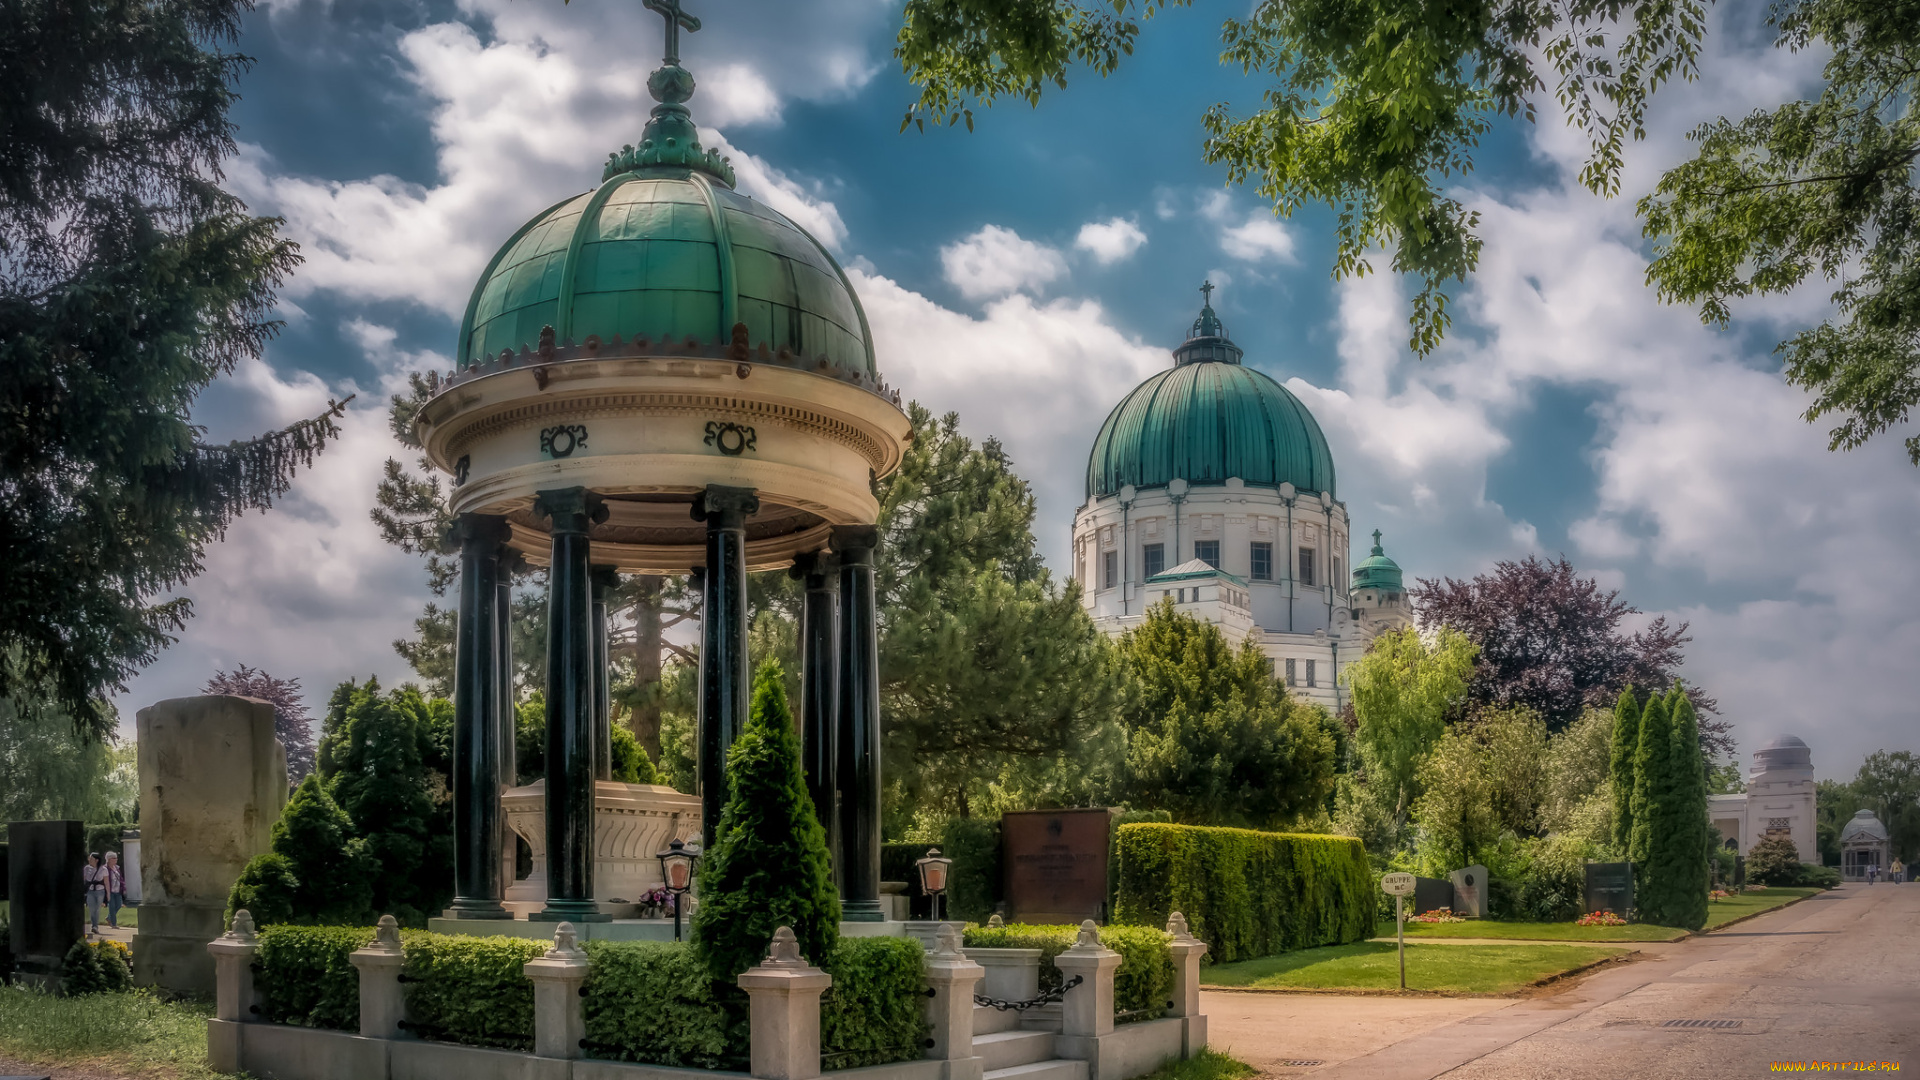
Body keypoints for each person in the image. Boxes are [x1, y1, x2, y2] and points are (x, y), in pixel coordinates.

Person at [82, 852, 105, 933]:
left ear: (96, 860)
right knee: (92, 910)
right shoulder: (86, 868)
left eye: (91, 859)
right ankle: (94, 926)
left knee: (97, 909)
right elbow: (84, 879)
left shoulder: (103, 869)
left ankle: (95, 926)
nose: (89, 860)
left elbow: (106, 882)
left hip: (100, 891)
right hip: (90, 891)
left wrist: (108, 893)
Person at [103, 851, 126, 928]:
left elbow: (121, 879)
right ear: (109, 859)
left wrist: (123, 887)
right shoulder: (105, 869)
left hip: (118, 890)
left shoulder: (117, 868)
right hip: (110, 891)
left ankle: (109, 918)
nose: (116, 859)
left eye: (116, 858)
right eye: (114, 858)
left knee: (119, 905)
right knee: (112, 907)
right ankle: (114, 924)